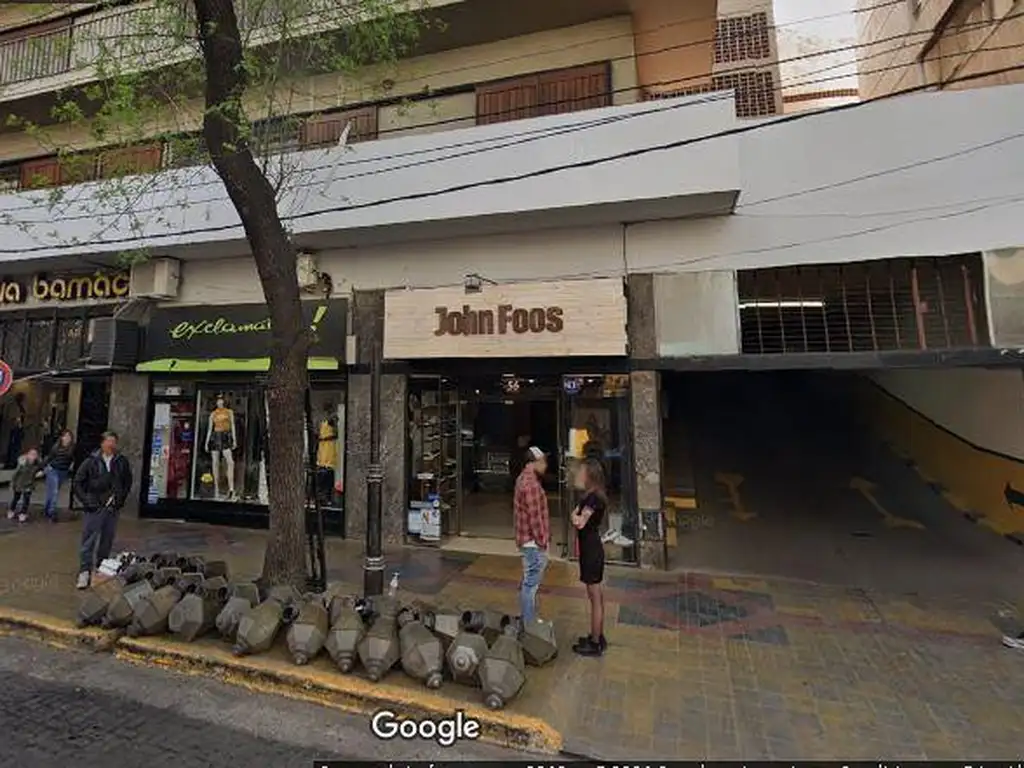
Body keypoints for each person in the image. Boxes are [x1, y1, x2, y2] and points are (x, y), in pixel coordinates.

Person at [73, 431, 133, 590]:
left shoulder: (121, 461)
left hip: (112, 507)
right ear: (102, 443)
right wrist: (86, 500)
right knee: (89, 540)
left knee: (107, 540)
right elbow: (78, 482)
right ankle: (84, 571)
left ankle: (101, 570)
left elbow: (127, 481)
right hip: (95, 506)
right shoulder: (91, 461)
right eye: (108, 441)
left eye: (114, 441)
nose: (111, 444)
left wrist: (121, 498)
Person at [571, 457, 608, 657]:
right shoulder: (590, 497)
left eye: (581, 472)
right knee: (595, 596)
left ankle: (595, 642)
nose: (577, 475)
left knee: (595, 597)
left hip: (591, 550)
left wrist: (574, 516)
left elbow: (580, 521)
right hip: (589, 548)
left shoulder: (594, 499)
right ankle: (596, 635)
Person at [513, 446, 550, 624]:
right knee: (530, 584)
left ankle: (528, 617)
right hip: (533, 543)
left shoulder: (523, 479)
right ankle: (529, 623)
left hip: (526, 541)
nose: (546, 465)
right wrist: (543, 541)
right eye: (543, 461)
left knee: (528, 581)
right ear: (532, 463)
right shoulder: (531, 485)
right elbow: (535, 518)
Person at [41, 429, 75, 523]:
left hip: (63, 472)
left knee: (51, 492)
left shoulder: (72, 448)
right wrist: (41, 468)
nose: (67, 438)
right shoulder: (56, 447)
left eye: (69, 437)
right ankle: (52, 512)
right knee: (54, 491)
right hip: (53, 470)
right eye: (65, 436)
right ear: (62, 437)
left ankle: (47, 509)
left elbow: (73, 459)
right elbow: (49, 457)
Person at [7, 447, 42, 524]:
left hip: (28, 485)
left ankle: (23, 513)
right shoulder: (22, 464)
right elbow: (15, 474)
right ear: (27, 455)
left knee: (26, 499)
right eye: (31, 454)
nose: (32, 456)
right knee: (16, 498)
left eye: (34, 455)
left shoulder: (37, 465)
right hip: (19, 484)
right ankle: (11, 510)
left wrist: (40, 473)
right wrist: (13, 483)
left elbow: (40, 470)